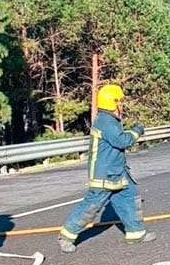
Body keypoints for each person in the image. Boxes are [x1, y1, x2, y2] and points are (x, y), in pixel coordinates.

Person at [58, 84, 156, 252]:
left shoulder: (110, 120)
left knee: (130, 199)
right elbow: (122, 141)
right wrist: (137, 131)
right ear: (113, 102)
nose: (122, 105)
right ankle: (66, 236)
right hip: (104, 175)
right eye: (120, 101)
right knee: (91, 207)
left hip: (117, 172)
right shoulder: (106, 121)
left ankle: (136, 233)